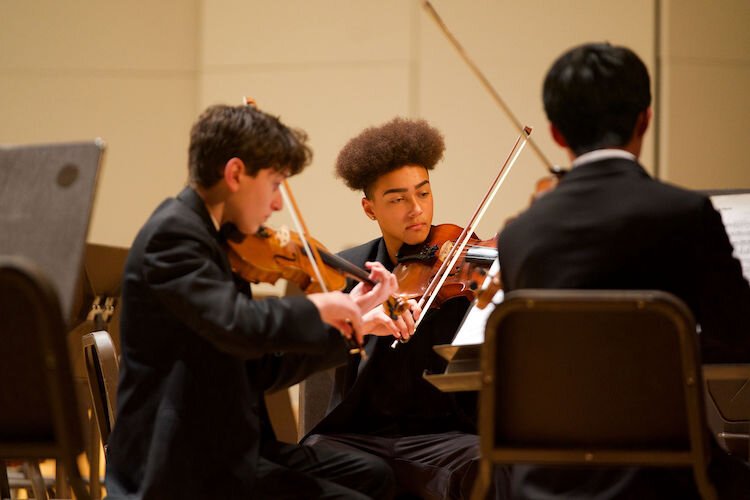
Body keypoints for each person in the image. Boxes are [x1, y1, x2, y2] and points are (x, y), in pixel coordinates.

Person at [105, 103, 408, 499]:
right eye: (275, 183)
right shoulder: (174, 236)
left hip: (231, 450)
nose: (279, 203)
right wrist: (320, 307)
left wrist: (355, 322)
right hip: (181, 466)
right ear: (235, 174)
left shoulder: (222, 240)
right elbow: (238, 323)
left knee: (374, 475)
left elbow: (260, 369)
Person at [497, 42, 750, 499]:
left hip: (542, 483)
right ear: (645, 119)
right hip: (665, 479)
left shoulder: (519, 235)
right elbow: (739, 330)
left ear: (555, 133)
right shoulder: (685, 214)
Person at [303, 117, 510, 499]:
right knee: (307, 463)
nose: (416, 209)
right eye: (398, 199)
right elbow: (311, 350)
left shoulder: (471, 263)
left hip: (444, 435)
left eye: (424, 193)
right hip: (358, 434)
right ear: (369, 209)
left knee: (487, 464)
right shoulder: (347, 269)